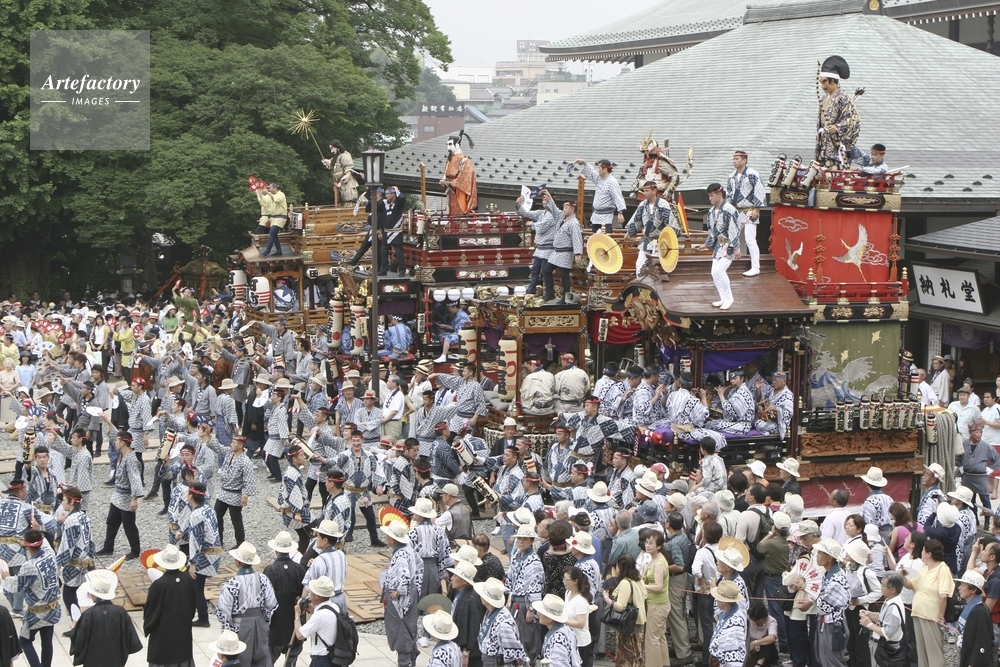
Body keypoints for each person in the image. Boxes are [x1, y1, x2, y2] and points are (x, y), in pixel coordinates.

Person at [217, 542, 278, 667]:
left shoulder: (232, 584)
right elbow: (271, 604)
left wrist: (227, 632)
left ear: (237, 562)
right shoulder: (263, 579)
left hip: (239, 625)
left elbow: (223, 612)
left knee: (241, 659)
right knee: (262, 657)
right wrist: (264, 620)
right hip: (260, 623)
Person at [69, 569, 143, 667]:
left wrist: (74, 629)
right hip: (115, 658)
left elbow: (79, 639)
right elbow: (129, 637)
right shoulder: (120, 612)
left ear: (94, 594)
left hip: (93, 659)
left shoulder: (88, 614)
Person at [143, 544, 198, 667]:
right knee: (183, 655)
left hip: (164, 630)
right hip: (183, 628)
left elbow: (151, 609)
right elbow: (193, 603)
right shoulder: (187, 579)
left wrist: (149, 625)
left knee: (164, 656)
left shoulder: (159, 584)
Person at [903, 538, 953, 667]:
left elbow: (943, 595)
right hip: (918, 612)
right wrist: (901, 576)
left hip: (930, 614)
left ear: (929, 554)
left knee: (933, 650)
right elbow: (910, 585)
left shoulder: (943, 569)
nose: (921, 553)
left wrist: (941, 617)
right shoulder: (925, 569)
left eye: (923, 551)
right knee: (922, 651)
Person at [381, 520, 423, 667]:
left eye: (387, 536)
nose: (385, 538)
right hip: (410, 593)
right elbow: (420, 563)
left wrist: (399, 591)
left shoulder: (400, 555)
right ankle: (411, 661)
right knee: (408, 629)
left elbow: (404, 574)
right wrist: (415, 586)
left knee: (401, 631)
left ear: (393, 539)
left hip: (401, 600)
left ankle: (405, 663)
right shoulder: (408, 549)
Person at [96, 430, 143, 559]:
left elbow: (135, 479)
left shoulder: (131, 459)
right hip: (117, 494)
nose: (115, 442)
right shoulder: (122, 455)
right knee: (111, 521)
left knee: (129, 524)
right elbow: (113, 434)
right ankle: (108, 547)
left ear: (122, 443)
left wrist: (134, 499)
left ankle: (135, 550)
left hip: (127, 496)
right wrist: (107, 421)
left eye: (117, 441)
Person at [264, 531, 308, 664]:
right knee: (291, 660)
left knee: (269, 660)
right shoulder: (300, 569)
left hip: (275, 625)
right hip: (294, 622)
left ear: (275, 550)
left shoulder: (270, 570)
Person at [726, 151, 767, 277]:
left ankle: (756, 267)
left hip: (749, 210)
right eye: (734, 159)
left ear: (744, 160)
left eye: (737, 159)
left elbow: (759, 190)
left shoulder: (752, 174)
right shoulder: (731, 176)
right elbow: (729, 193)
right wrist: (728, 206)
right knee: (730, 236)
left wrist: (757, 209)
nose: (734, 161)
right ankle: (725, 263)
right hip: (736, 210)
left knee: (750, 239)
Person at [506, 523, 543, 663]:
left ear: (531, 541)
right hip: (515, 599)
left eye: (525, 539)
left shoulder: (534, 560)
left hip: (526, 603)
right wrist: (509, 597)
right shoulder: (517, 556)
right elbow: (511, 578)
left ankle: (528, 662)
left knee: (526, 637)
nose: (521, 541)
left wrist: (531, 608)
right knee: (516, 636)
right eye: (519, 538)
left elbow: (535, 586)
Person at [212, 434, 257, 548]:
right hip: (223, 492)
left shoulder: (245, 461)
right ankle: (218, 541)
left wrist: (245, 496)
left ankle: (240, 543)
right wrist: (208, 436)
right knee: (216, 516)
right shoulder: (229, 453)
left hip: (235, 494)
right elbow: (218, 448)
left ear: (241, 445)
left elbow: (249, 480)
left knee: (236, 520)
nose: (231, 444)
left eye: (234, 443)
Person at [815, 55, 861, 168]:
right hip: (823, 148)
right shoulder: (823, 99)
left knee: (833, 175)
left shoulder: (843, 98)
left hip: (836, 150)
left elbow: (853, 121)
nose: (822, 86)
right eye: (821, 82)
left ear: (833, 81)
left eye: (825, 82)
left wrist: (837, 127)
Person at [702, 182, 742, 310]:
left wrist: (736, 248)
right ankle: (723, 297)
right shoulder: (711, 212)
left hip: (728, 245)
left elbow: (734, 229)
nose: (710, 198)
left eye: (712, 195)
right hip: (718, 246)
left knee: (719, 271)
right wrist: (707, 244)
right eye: (709, 196)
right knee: (714, 272)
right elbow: (711, 231)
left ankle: (729, 298)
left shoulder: (729, 210)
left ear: (719, 194)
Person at [602, 554, 647, 667]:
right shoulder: (639, 579)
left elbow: (619, 607)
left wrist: (606, 598)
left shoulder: (625, 583)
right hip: (640, 620)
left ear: (620, 567)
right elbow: (645, 595)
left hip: (628, 623)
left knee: (627, 656)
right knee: (638, 652)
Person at [810, 539, 849, 667]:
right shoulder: (828, 574)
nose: (817, 555)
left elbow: (823, 606)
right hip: (827, 622)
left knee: (832, 660)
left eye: (820, 553)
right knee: (824, 658)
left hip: (833, 624)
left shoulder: (836, 578)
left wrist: (813, 600)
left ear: (829, 558)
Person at [624, 181, 676, 276]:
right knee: (640, 265)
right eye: (644, 191)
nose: (645, 193)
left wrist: (668, 238)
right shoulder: (643, 205)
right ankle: (640, 283)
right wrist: (629, 232)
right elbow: (636, 219)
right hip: (646, 240)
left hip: (661, 241)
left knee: (656, 267)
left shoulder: (663, 204)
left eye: (647, 191)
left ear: (654, 191)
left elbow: (670, 223)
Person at [474, 577, 529, 667]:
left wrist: (523, 661)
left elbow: (513, 649)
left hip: (495, 662)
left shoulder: (503, 621)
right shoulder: (491, 612)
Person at [859, 572, 906, 667]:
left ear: (893, 590)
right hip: (882, 645)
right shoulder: (890, 600)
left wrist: (869, 624)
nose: (881, 587)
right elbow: (883, 617)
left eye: (883, 585)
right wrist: (869, 614)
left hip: (888, 649)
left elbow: (887, 632)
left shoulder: (893, 608)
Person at [542, 198, 583, 305]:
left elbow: (576, 238)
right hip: (556, 251)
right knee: (546, 270)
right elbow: (554, 209)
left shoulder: (574, 223)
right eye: (563, 207)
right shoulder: (562, 219)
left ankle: (566, 297)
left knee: (564, 275)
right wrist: (549, 198)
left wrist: (577, 254)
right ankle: (550, 293)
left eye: (566, 207)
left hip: (566, 252)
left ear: (572, 209)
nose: (564, 209)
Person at [516, 190, 557, 296]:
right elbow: (527, 213)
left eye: (545, 199)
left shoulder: (554, 215)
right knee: (535, 270)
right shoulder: (541, 213)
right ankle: (531, 289)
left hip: (549, 247)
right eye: (543, 199)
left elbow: (542, 227)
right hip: (540, 247)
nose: (543, 201)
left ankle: (548, 292)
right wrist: (519, 205)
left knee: (545, 271)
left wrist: (532, 224)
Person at [447, 560, 485, 667]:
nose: (451, 578)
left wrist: (466, 651)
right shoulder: (462, 594)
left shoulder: (469, 600)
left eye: (455, 576)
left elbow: (473, 628)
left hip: (470, 655)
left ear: (464, 581)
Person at [642, 530, 671, 667]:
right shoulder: (655, 559)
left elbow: (658, 587)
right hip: (660, 603)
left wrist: (643, 586)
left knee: (652, 639)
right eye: (647, 542)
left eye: (651, 543)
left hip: (657, 604)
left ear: (659, 546)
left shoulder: (659, 563)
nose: (647, 545)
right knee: (660, 637)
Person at [574, 158, 626, 233]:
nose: (598, 170)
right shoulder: (599, 178)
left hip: (606, 216)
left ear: (605, 169)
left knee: (604, 237)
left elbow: (618, 197)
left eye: (599, 168)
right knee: (594, 237)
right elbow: (592, 172)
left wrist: (620, 212)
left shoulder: (612, 182)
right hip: (596, 215)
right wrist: (584, 163)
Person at [708, 578, 748, 667]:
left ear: (724, 602)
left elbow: (734, 658)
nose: (716, 600)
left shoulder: (734, 623)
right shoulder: (727, 613)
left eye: (718, 597)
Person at [535, 594, 582, 667]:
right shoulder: (566, 629)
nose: (539, 614)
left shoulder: (557, 638)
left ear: (550, 618)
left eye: (542, 612)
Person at [439, 132, 477, 215]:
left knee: (459, 211)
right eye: (447, 145)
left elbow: (466, 176)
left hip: (459, 189)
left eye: (450, 144)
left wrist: (453, 182)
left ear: (456, 145)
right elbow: (446, 172)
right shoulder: (449, 158)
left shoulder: (464, 159)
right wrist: (443, 179)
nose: (448, 147)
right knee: (450, 210)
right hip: (450, 189)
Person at [323, 140, 359, 204]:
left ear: (337, 147)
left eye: (332, 148)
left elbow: (348, 167)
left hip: (347, 184)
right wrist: (327, 162)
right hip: (339, 184)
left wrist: (348, 175)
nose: (331, 151)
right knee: (340, 202)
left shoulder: (345, 155)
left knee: (348, 201)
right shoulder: (337, 156)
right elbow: (332, 162)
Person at [257, 183, 288, 257]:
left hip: (280, 217)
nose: (269, 189)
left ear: (274, 188)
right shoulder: (270, 195)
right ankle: (279, 250)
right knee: (274, 234)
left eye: (270, 188)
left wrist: (267, 193)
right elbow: (264, 203)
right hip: (273, 218)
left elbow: (277, 200)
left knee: (272, 232)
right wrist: (259, 194)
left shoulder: (281, 194)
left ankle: (268, 250)